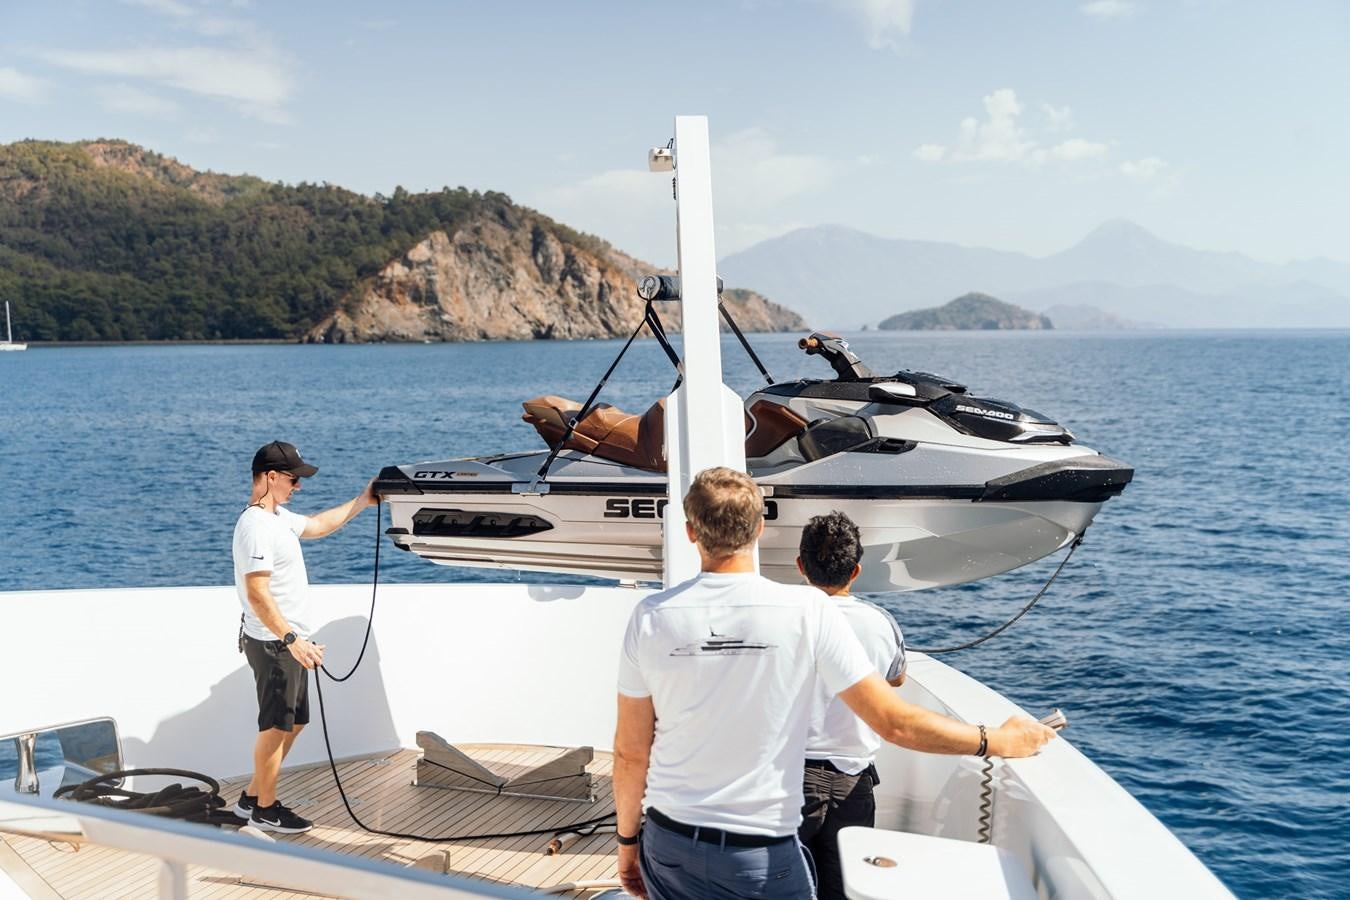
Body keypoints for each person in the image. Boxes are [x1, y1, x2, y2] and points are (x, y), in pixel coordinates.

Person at [612, 467, 1056, 900]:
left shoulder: (650, 617)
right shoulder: (805, 610)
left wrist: (627, 843)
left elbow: (631, 753)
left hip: (668, 844)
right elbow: (893, 722)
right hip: (760, 856)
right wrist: (996, 740)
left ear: (691, 532)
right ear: (760, 528)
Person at [231, 440, 376, 834]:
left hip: (289, 644)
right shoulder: (255, 526)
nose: (298, 486)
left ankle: (250, 798)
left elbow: (316, 524)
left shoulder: (277, 517)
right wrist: (293, 639)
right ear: (271, 477)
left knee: (293, 724)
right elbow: (258, 593)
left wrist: (362, 501)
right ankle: (265, 808)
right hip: (275, 643)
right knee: (275, 727)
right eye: (293, 479)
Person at [796, 511, 906, 900]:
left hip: (793, 782)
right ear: (856, 571)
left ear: (800, 566)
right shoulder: (881, 623)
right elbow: (895, 679)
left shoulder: (786, 618)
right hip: (854, 785)